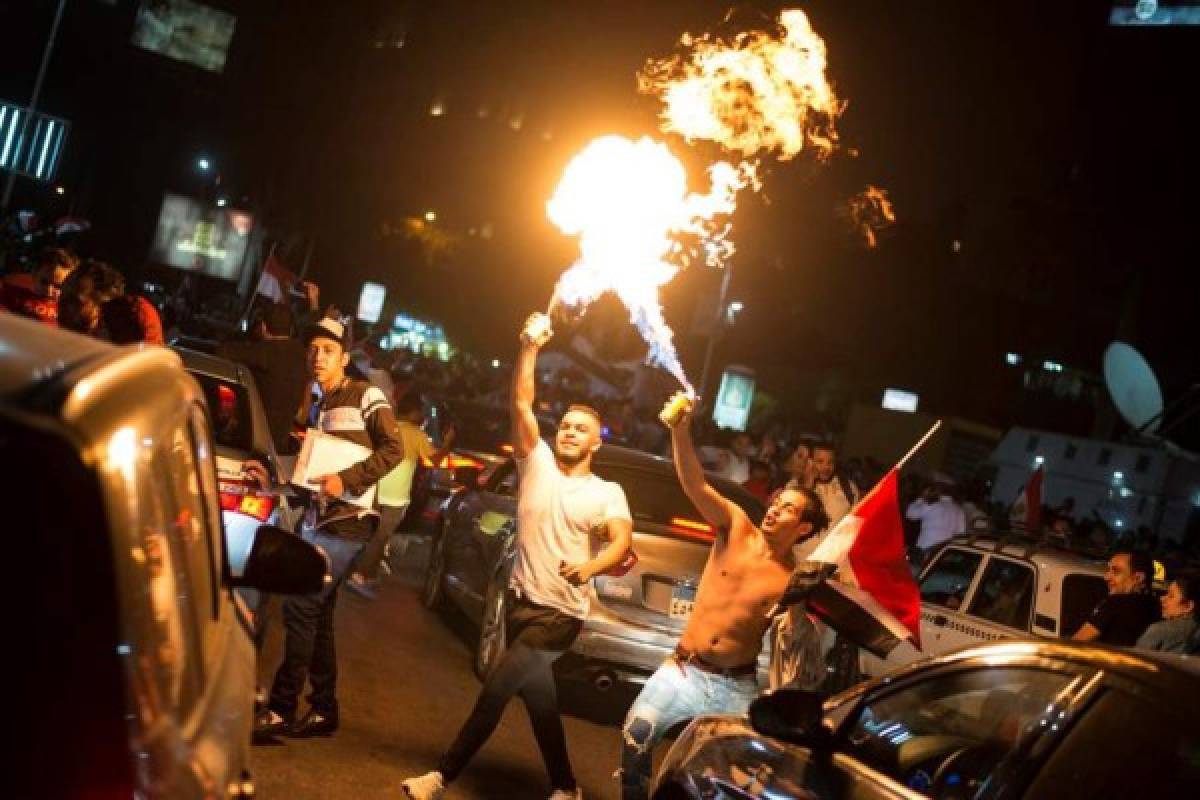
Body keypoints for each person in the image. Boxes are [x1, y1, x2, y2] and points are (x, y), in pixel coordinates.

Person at [402, 312, 633, 800]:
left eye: (580, 429)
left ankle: (440, 777)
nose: (568, 432)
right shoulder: (537, 465)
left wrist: (590, 567)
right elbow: (522, 401)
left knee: (496, 689)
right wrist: (529, 347)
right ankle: (567, 787)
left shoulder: (607, 491)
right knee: (541, 700)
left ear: (597, 440)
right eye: (565, 425)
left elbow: (620, 544)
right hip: (522, 602)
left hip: (561, 614)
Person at [617, 395, 828, 800]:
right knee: (635, 735)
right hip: (683, 669)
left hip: (735, 687)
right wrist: (681, 430)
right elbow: (694, 483)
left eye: (786, 510)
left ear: (801, 529)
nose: (773, 510)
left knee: (720, 781)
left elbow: (798, 646)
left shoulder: (791, 580)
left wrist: (800, 603)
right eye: (775, 503)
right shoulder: (736, 526)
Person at [253, 317, 404, 739]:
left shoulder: (366, 394)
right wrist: (274, 483)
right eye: (313, 350)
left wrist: (348, 481)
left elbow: (395, 449)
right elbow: (316, 472)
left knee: (301, 605)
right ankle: (323, 710)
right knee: (318, 616)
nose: (317, 357)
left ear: (344, 356)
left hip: (349, 523)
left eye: (328, 351)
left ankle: (282, 710)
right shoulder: (321, 402)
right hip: (322, 520)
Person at [347, 390, 456, 599]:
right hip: (396, 497)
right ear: (414, 412)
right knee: (381, 537)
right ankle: (359, 576)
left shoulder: (387, 427)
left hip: (374, 488)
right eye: (421, 412)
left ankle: (359, 569)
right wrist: (448, 444)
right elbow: (433, 461)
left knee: (368, 532)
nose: (423, 416)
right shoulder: (416, 434)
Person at [217, 302, 310, 455]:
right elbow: (302, 415)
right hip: (281, 447)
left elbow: (223, 351)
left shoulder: (265, 351)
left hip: (249, 443)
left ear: (264, 327)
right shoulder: (302, 355)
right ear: (291, 329)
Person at [1072, 550, 1160, 646]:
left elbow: (1076, 643)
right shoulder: (1157, 606)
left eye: (1116, 571)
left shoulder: (1114, 603)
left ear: (1138, 578)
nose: (1106, 577)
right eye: (1108, 570)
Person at [0, 246, 76, 324]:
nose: (48, 290)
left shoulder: (68, 312)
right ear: (34, 275)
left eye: (58, 286)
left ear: (69, 286)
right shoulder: (15, 295)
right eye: (44, 282)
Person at [905, 476, 966, 565]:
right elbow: (960, 534)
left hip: (924, 553)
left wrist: (922, 498)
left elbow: (910, 514)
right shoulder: (958, 510)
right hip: (943, 555)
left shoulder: (932, 504)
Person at [1135, 573, 1199, 654]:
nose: (1162, 598)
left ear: (1188, 606)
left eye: (1171, 596)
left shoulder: (1159, 630)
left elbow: (1135, 661)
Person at [811, 442, 859, 527]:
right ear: (810, 462)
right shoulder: (798, 486)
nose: (826, 467)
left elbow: (853, 521)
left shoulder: (848, 487)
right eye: (820, 461)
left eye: (830, 462)